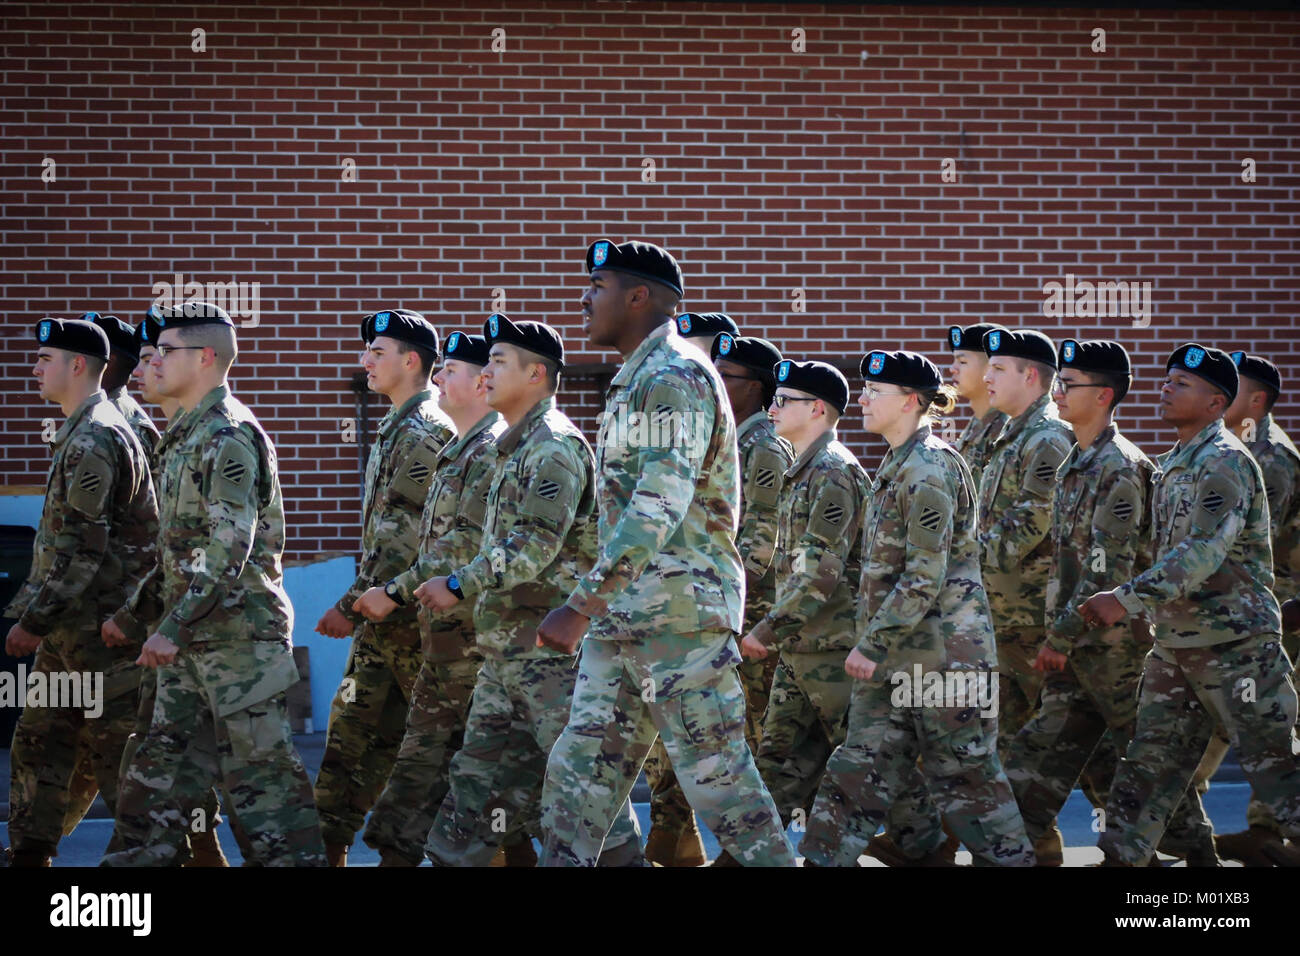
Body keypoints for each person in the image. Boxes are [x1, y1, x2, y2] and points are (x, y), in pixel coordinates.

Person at [536, 239, 795, 867]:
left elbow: (659, 503)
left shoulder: (670, 376)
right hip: (628, 617)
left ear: (639, 296)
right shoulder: (639, 377)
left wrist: (579, 605)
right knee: (577, 777)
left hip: (679, 618)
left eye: (598, 287)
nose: (584, 298)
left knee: (722, 787)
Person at [101, 301, 326, 866]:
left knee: (267, 802)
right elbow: (178, 552)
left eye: (164, 352)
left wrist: (170, 626)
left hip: (238, 644)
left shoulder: (227, 434)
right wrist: (133, 617)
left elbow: (230, 546)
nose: (148, 363)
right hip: (189, 644)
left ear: (204, 358)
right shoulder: (182, 435)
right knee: (151, 789)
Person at [421, 314, 643, 867]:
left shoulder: (553, 447)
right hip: (506, 650)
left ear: (537, 374)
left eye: (499, 362)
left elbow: (532, 546)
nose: (486, 372)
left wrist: (457, 583)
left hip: (548, 651)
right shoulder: (509, 446)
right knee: (475, 778)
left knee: (580, 787)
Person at [800, 349, 1034, 867]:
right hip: (899, 659)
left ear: (909, 402)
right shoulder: (899, 461)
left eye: (873, 392)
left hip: (945, 659)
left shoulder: (928, 469)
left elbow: (925, 574)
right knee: (857, 770)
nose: (861, 399)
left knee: (968, 782)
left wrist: (872, 643)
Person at [1081, 344, 1300, 867]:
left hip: (1236, 644)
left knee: (1277, 765)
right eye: (1167, 379)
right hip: (1177, 645)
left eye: (1181, 383)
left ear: (1215, 402)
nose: (1166, 387)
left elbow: (1201, 552)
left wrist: (1125, 599)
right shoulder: (1175, 463)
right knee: (1150, 763)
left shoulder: (1225, 462)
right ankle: (1124, 860)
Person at [3, 317, 157, 868]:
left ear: (78, 366)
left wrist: (30, 621)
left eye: (46, 359)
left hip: (101, 635)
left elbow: (83, 552)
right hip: (69, 633)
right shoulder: (84, 428)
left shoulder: (95, 436)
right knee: (40, 742)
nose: (35, 368)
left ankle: (163, 856)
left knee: (121, 762)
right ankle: (30, 853)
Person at [1003, 340, 1162, 866]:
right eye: (1060, 381)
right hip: (1078, 654)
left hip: (1115, 653)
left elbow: (1106, 571)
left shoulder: (1119, 467)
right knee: (1028, 771)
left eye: (1071, 384)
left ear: (1105, 395)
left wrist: (1060, 637)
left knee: (1148, 776)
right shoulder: (1076, 459)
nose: (1060, 391)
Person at [353, 329, 509, 865]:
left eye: (451, 371)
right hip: (440, 637)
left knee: (477, 768)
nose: (438, 377)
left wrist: (391, 591)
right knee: (436, 760)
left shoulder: (487, 452)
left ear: (483, 384)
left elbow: (459, 550)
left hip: (475, 639)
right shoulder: (459, 448)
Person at [641, 331, 794, 867]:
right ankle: (674, 841)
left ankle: (743, 851)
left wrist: (724, 608)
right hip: (698, 609)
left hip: (742, 618)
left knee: (737, 742)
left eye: (727, 376)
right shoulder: (721, 438)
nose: (716, 383)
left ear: (757, 387)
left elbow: (758, 542)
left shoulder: (765, 448)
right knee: (690, 737)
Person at [312, 309, 453, 866]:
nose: (364, 361)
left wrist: (350, 606)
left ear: (411, 360)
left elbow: (404, 543)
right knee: (348, 745)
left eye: (377, 351)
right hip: (381, 626)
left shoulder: (426, 432)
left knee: (432, 756)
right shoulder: (398, 425)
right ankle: (329, 849)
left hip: (413, 626)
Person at [734, 360, 867, 865]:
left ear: (816, 409)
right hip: (801, 647)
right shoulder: (803, 468)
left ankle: (921, 846)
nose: (772, 408)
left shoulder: (833, 472)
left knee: (862, 765)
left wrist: (765, 630)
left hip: (833, 647)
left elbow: (820, 573)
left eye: (784, 400)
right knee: (778, 764)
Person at [1209, 352, 1300, 865]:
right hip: (1248, 608)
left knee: (1266, 722)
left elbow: (1251, 543)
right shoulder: (1233, 446)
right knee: (1237, 715)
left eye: (1233, 386)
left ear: (1257, 401)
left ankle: (1272, 832)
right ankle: (1261, 831)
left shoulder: (1271, 458)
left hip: (1278, 610)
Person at [978, 329, 1073, 751]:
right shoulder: (1013, 433)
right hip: (1004, 614)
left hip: (1031, 617)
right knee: (1006, 742)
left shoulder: (1048, 438)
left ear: (1031, 376)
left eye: (998, 369)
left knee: (1061, 740)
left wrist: (962, 562)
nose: (986, 377)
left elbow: (1032, 518)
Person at [945, 323, 1009, 487]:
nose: (953, 368)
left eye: (962, 361)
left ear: (990, 368)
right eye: (954, 361)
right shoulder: (977, 423)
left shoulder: (1005, 428)